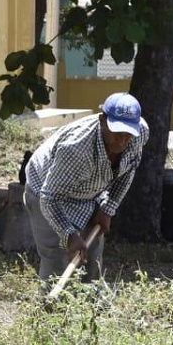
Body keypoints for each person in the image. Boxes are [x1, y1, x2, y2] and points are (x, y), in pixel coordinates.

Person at [22, 92, 149, 282]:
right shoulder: (75, 149)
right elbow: (49, 199)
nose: (122, 140)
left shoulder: (140, 133)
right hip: (47, 192)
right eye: (117, 132)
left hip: (89, 191)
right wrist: (70, 235)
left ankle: (91, 304)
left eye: (127, 134)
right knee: (57, 258)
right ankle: (49, 308)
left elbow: (128, 170)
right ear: (102, 120)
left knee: (91, 255)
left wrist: (107, 209)